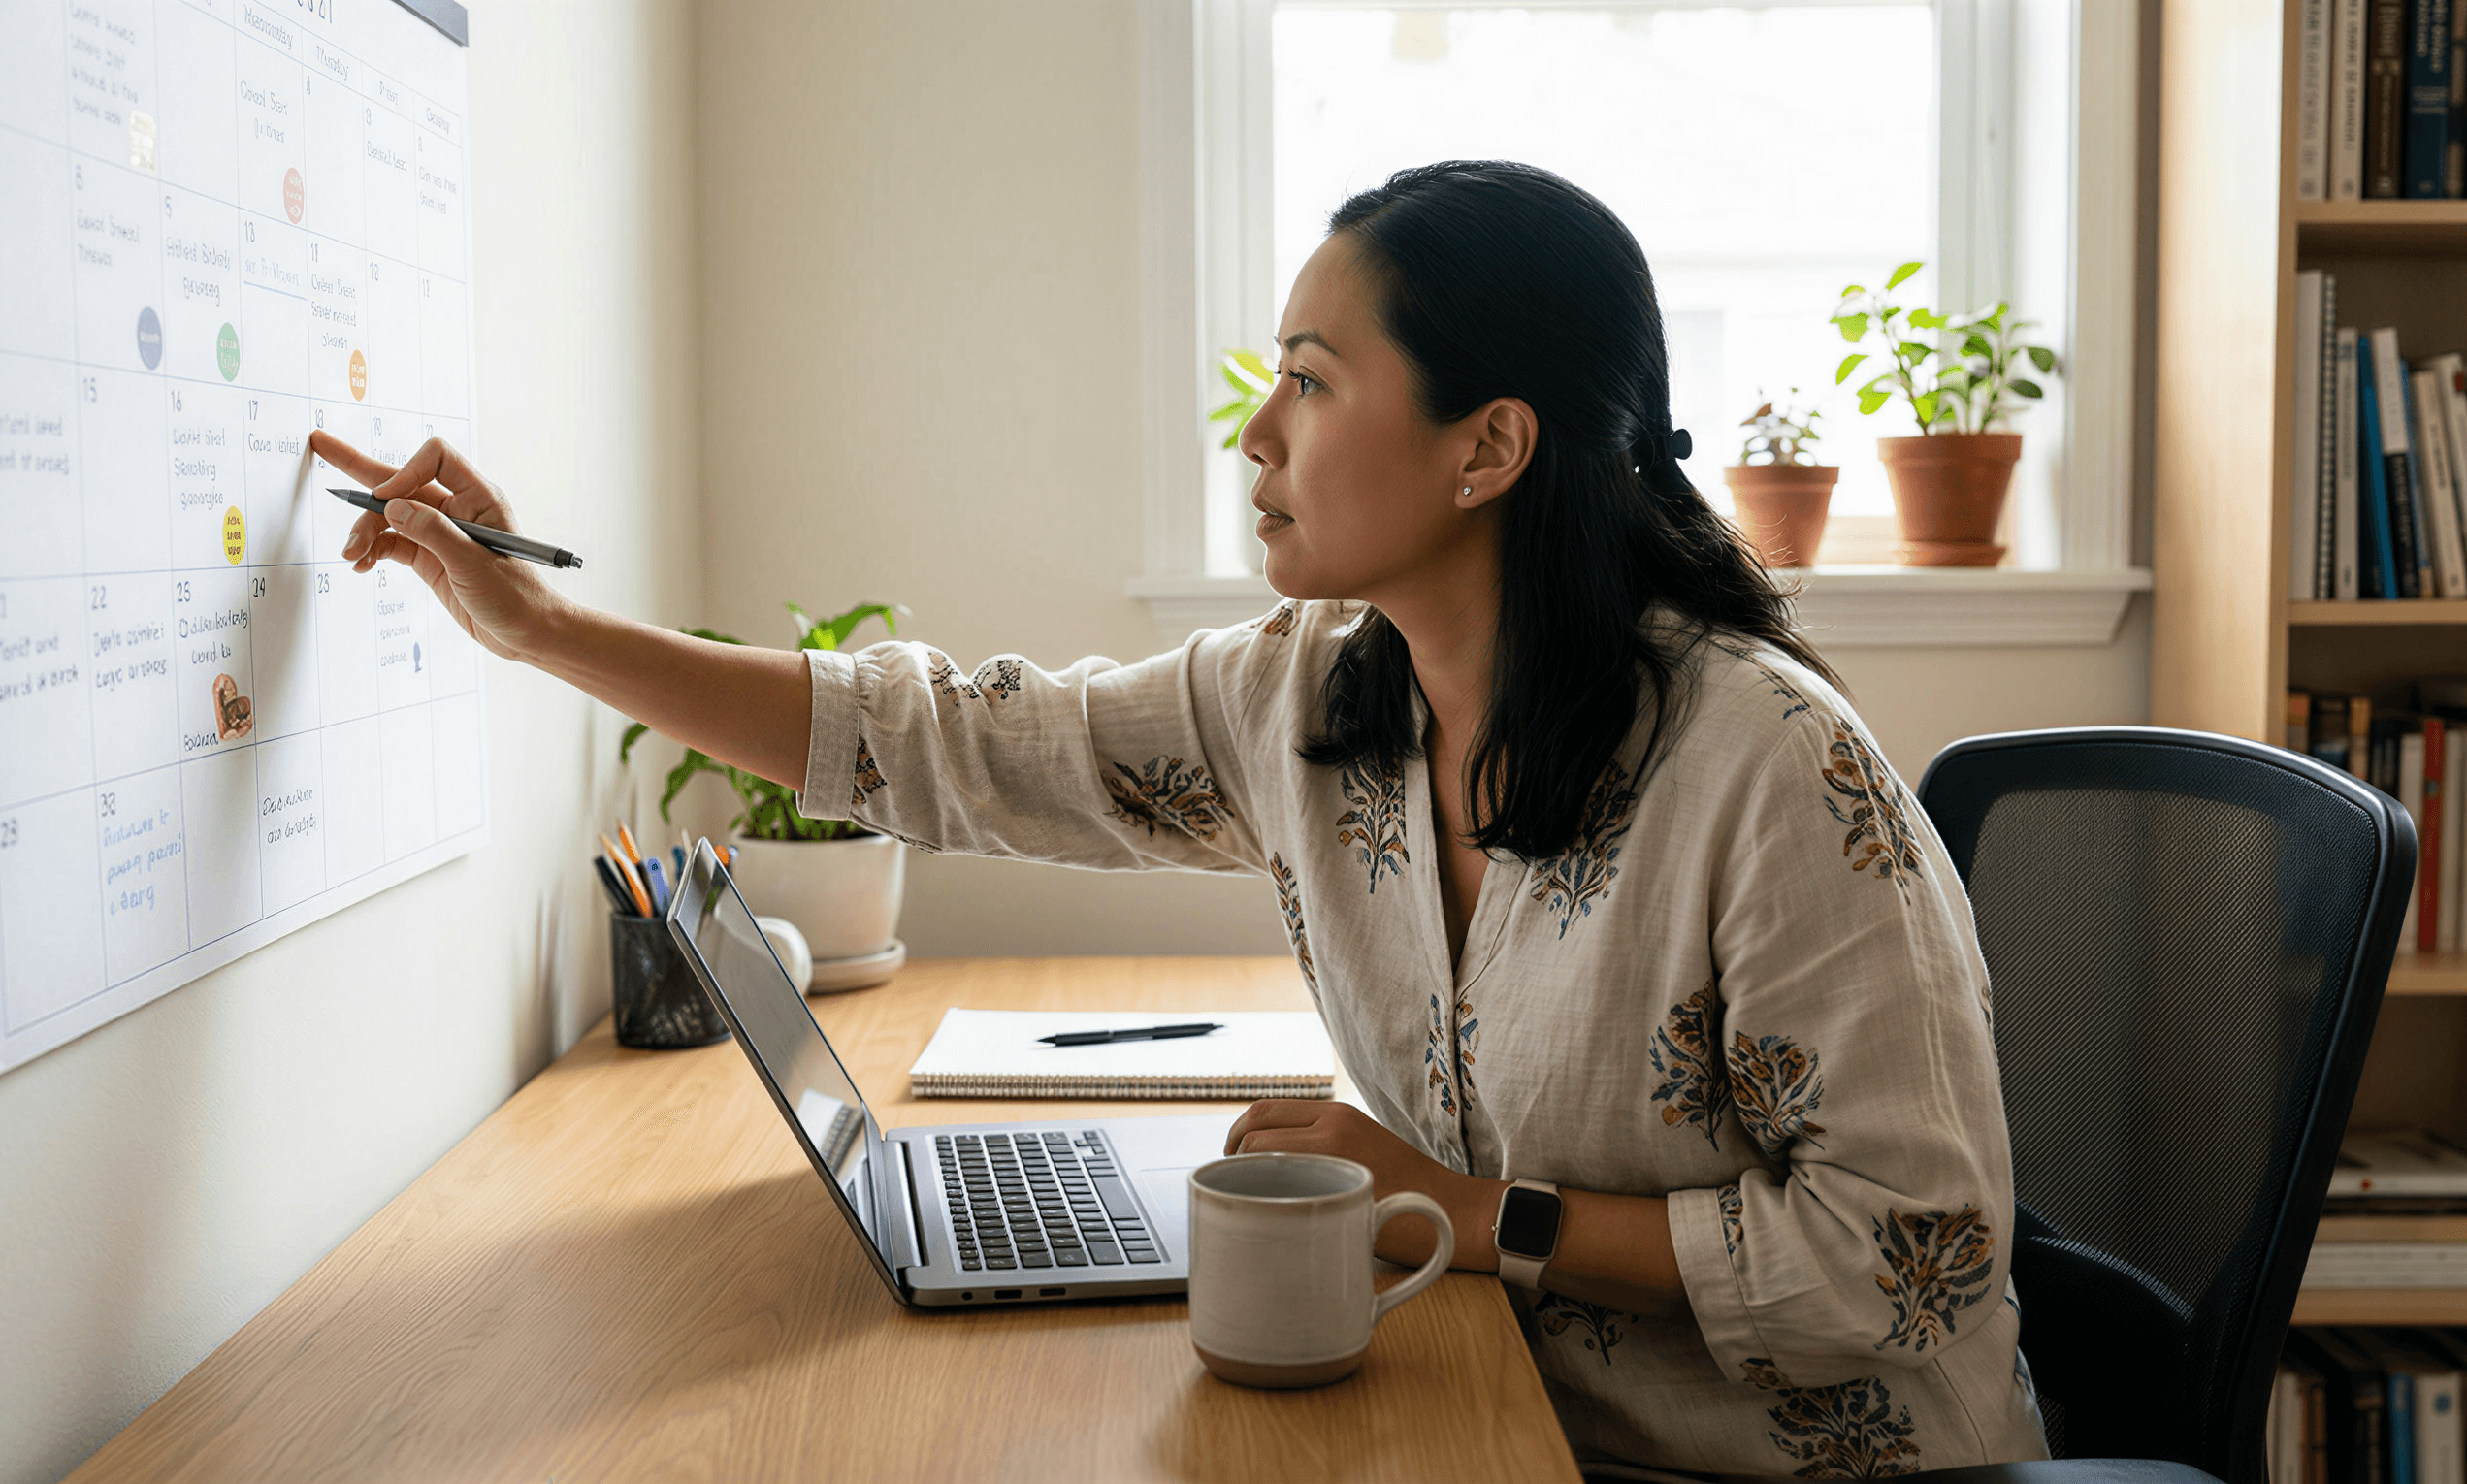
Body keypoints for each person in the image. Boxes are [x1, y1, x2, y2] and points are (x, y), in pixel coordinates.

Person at [311, 160, 2045, 1480]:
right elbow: (942, 741)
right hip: (1512, 1416)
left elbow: (1911, 1263)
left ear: (1487, 446)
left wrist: (1456, 1199)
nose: (1255, 433)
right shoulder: (1308, 698)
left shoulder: (1773, 773)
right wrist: (542, 633)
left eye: (1310, 380)